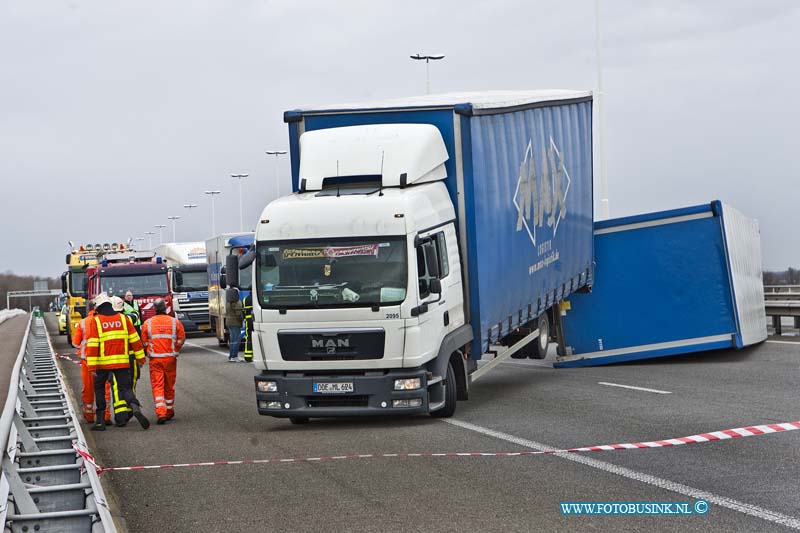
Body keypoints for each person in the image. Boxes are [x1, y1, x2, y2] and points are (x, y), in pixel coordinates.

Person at [84, 294, 150, 431]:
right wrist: (141, 359)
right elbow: (135, 340)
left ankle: (100, 422)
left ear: (99, 307)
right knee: (125, 388)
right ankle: (134, 406)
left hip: (103, 364)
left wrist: (91, 366)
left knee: (100, 389)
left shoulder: (95, 321)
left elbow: (92, 345)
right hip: (122, 362)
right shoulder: (123, 318)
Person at [141, 298, 185, 424]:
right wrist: (174, 348)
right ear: (165, 308)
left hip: (155, 359)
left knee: (158, 386)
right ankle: (169, 410)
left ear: (154, 309)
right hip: (170, 358)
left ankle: (161, 413)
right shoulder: (174, 322)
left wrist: (150, 350)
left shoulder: (148, 323)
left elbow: (144, 342)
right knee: (169, 385)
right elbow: (181, 339)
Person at [72, 299, 111, 425]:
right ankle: (106, 416)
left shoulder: (83, 323)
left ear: (87, 309)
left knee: (89, 389)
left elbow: (75, 343)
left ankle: (89, 416)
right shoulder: (103, 321)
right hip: (103, 361)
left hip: (87, 362)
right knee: (105, 389)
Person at [225, 293, 244, 362]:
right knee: (237, 340)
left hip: (228, 322)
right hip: (235, 322)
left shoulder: (227, 302)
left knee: (232, 340)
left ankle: (231, 356)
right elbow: (239, 314)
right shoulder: (237, 302)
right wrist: (241, 320)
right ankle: (234, 356)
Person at [242, 292, 253, 363]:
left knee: (248, 338)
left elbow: (243, 312)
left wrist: (244, 318)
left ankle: (248, 356)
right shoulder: (258, 297)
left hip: (248, 321)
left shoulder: (245, 299)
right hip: (257, 320)